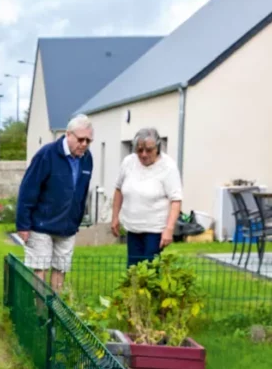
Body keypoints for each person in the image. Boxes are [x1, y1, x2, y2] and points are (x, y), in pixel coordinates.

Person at [15, 114, 94, 291]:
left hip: (67, 226)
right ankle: (39, 313)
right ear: (68, 134)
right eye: (81, 139)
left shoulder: (87, 159)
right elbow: (28, 189)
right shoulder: (47, 155)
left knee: (61, 269)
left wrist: (76, 220)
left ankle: (55, 311)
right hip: (41, 224)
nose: (84, 144)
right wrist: (23, 224)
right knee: (40, 269)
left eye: (88, 141)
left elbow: (82, 193)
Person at [111, 127, 183, 269]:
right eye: (139, 150)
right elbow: (118, 189)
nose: (143, 154)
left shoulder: (168, 167)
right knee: (133, 270)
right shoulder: (128, 162)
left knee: (150, 271)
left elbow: (176, 200)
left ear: (157, 148)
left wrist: (169, 229)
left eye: (148, 150)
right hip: (133, 228)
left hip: (155, 231)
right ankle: (133, 292)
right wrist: (115, 217)